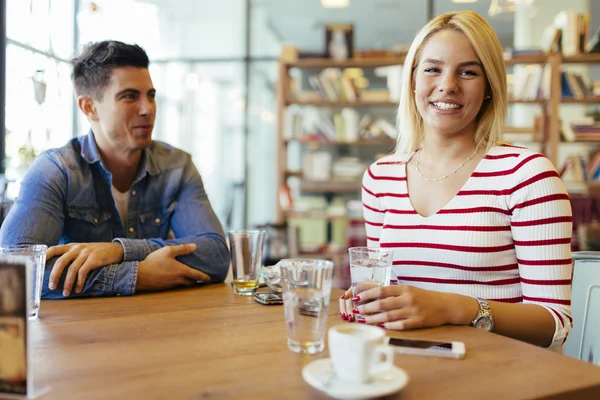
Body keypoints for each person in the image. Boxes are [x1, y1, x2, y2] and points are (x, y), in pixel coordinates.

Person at [339, 11, 573, 349]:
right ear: (413, 81)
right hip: (404, 364)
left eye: (467, 72)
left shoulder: (528, 175)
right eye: (433, 69)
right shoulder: (380, 178)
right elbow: (385, 286)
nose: (448, 84)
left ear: (490, 86)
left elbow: (556, 324)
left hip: (499, 373)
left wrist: (455, 307)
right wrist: (369, 300)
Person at [0, 41, 230, 299]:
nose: (148, 109)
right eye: (130, 96)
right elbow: (13, 272)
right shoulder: (56, 171)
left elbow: (217, 255)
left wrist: (119, 251)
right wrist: (138, 276)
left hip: (160, 327)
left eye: (151, 95)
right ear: (89, 107)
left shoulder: (176, 166)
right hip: (76, 334)